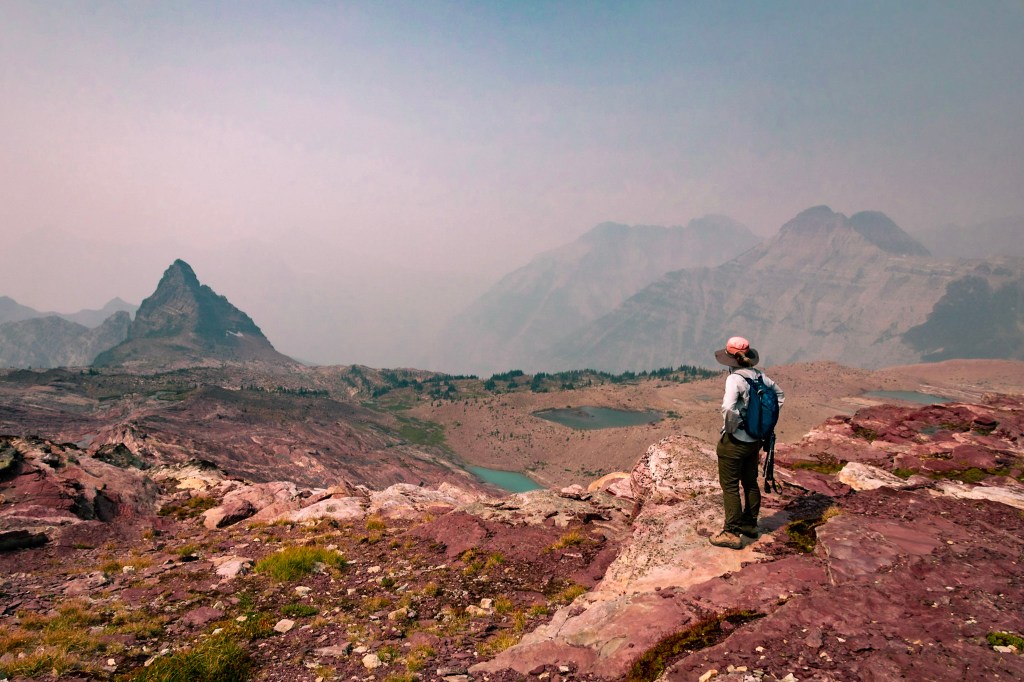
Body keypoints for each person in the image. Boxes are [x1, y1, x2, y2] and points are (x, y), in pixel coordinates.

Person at [709, 336, 784, 550]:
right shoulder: (760, 376)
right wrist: (762, 424)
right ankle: (750, 525)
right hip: (755, 440)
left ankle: (731, 532)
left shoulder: (735, 379)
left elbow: (728, 407)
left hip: (736, 441)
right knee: (750, 482)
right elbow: (780, 396)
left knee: (730, 486)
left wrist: (733, 428)